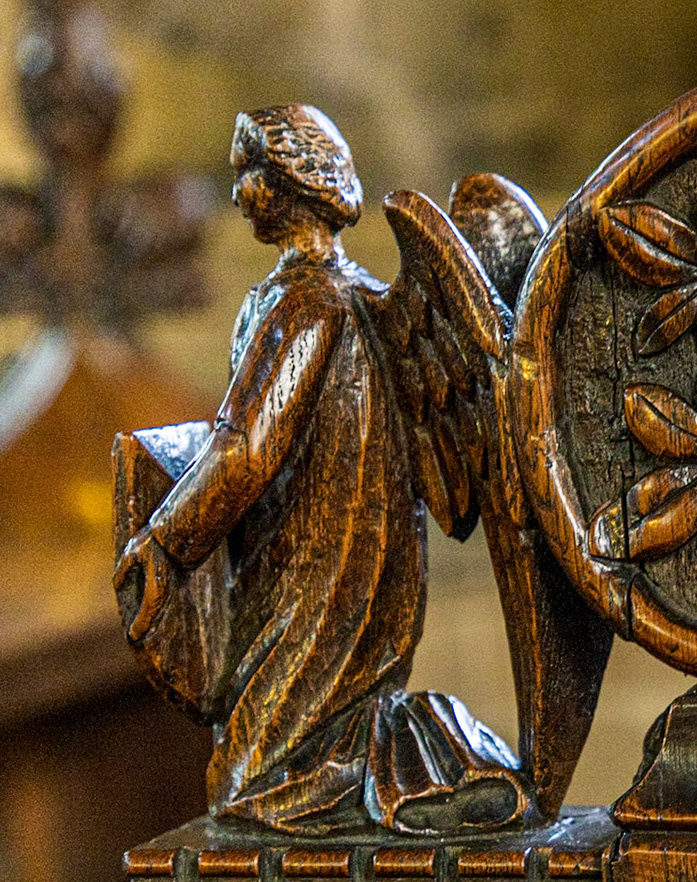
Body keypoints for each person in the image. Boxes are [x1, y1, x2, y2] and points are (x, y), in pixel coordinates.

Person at [114, 105, 528, 835]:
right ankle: (372, 754)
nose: (239, 194)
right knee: (261, 760)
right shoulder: (354, 296)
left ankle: (356, 767)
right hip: (327, 560)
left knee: (262, 777)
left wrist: (168, 539)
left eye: (252, 176)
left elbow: (246, 449)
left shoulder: (307, 304)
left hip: (321, 575)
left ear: (293, 182)